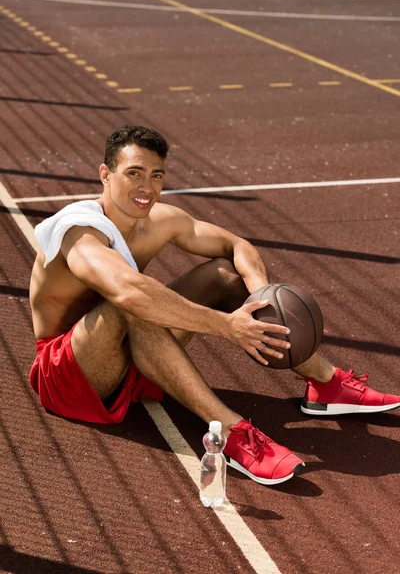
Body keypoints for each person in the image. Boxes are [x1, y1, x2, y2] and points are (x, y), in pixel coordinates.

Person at [29, 125, 400, 486]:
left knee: (226, 274)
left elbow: (235, 245)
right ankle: (231, 432)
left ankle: (326, 383)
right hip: (70, 376)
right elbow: (129, 294)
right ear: (105, 175)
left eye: (156, 175)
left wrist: (262, 297)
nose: (146, 187)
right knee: (133, 302)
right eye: (134, 173)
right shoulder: (78, 231)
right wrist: (227, 325)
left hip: (134, 353)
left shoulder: (160, 220)